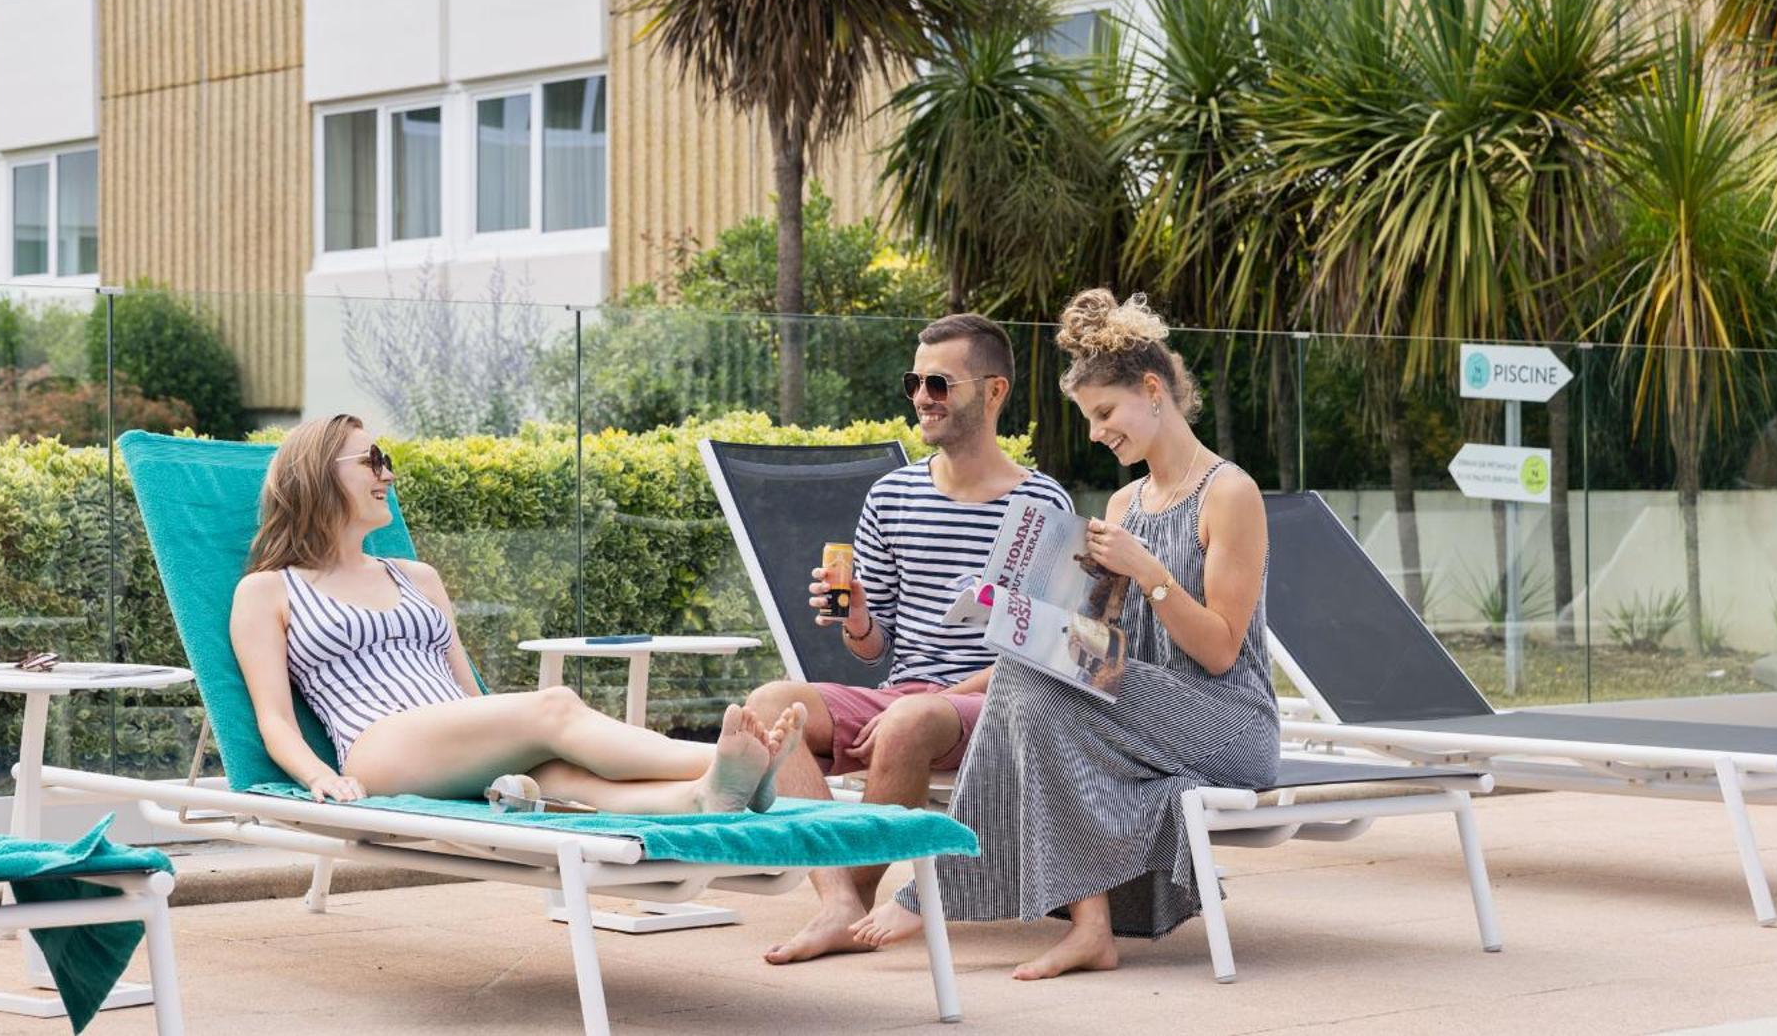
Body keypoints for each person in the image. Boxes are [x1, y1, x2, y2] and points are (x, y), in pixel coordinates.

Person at [851, 289, 1279, 981]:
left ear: (1153, 390)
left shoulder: (1230, 492)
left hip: (1230, 723)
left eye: (1104, 413)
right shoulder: (1122, 503)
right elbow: (1099, 644)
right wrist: (1005, 636)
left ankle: (937, 884)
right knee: (1029, 672)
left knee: (1031, 680)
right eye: (1089, 418)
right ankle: (1090, 929)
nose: (1097, 432)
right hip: (1151, 712)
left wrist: (1147, 571)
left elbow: (1222, 649)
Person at [229, 413, 806, 813]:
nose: (388, 473)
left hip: (454, 735)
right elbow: (275, 719)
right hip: (378, 748)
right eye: (372, 459)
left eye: (386, 460)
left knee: (562, 772)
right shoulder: (269, 591)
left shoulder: (417, 577)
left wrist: (513, 742)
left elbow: (464, 690)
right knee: (553, 707)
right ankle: (723, 759)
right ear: (318, 474)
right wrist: (320, 778)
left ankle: (706, 794)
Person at [744, 314, 1074, 964]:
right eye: (914, 380)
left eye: (940, 382)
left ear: (994, 391)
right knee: (769, 702)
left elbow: (1049, 651)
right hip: (907, 693)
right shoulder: (891, 495)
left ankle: (850, 904)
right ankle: (840, 899)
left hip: (998, 701)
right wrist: (861, 617)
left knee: (910, 717)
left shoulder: (1043, 505)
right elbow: (875, 650)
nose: (922, 395)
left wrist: (934, 698)